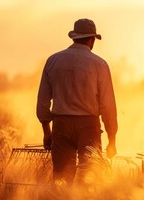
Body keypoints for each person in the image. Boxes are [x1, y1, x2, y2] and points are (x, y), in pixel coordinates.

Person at [36, 18, 118, 185]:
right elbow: (107, 105)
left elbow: (43, 100)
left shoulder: (53, 60)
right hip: (88, 127)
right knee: (90, 179)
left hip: (61, 125)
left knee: (61, 179)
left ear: (74, 37)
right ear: (91, 39)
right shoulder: (100, 64)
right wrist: (112, 140)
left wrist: (47, 131)